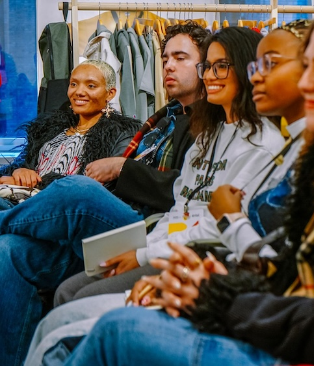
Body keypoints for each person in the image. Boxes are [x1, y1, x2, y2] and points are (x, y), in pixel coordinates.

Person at [61, 2, 314, 365]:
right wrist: (209, 283)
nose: (307, 83)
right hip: (241, 290)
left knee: (101, 322)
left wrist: (212, 290)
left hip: (281, 329)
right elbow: (276, 263)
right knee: (60, 299)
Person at [23, 19, 313, 365]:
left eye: (221, 66)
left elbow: (227, 234)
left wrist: (147, 255)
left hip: (210, 266)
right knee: (29, 255)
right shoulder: (200, 131)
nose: (210, 75)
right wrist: (145, 249)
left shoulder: (269, 146)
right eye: (208, 66)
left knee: (77, 193)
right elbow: (182, 206)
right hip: (177, 246)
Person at [52, 21, 210, 306]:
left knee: (78, 188)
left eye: (180, 58)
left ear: (205, 66)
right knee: (14, 251)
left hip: (152, 222)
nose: (168, 66)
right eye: (164, 59)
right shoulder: (167, 118)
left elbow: (185, 189)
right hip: (135, 213)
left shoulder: (207, 123)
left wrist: (121, 168)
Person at [0, 60, 140, 191]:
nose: (78, 92)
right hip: (21, 201)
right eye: (73, 84)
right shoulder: (47, 128)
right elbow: (18, 165)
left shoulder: (121, 133)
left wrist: (35, 184)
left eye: (91, 86)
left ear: (110, 93)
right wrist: (19, 171)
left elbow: (101, 188)